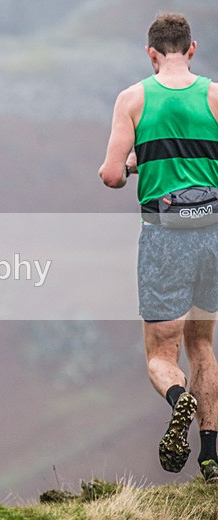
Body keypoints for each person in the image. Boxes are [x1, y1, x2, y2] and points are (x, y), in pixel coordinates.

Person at [99, 12, 218, 483]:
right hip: (212, 232)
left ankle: (177, 397)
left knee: (161, 355)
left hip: (166, 236)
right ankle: (211, 459)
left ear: (151, 54)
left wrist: (134, 164)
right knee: (203, 344)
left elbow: (110, 175)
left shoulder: (134, 99)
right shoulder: (214, 94)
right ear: (191, 49)